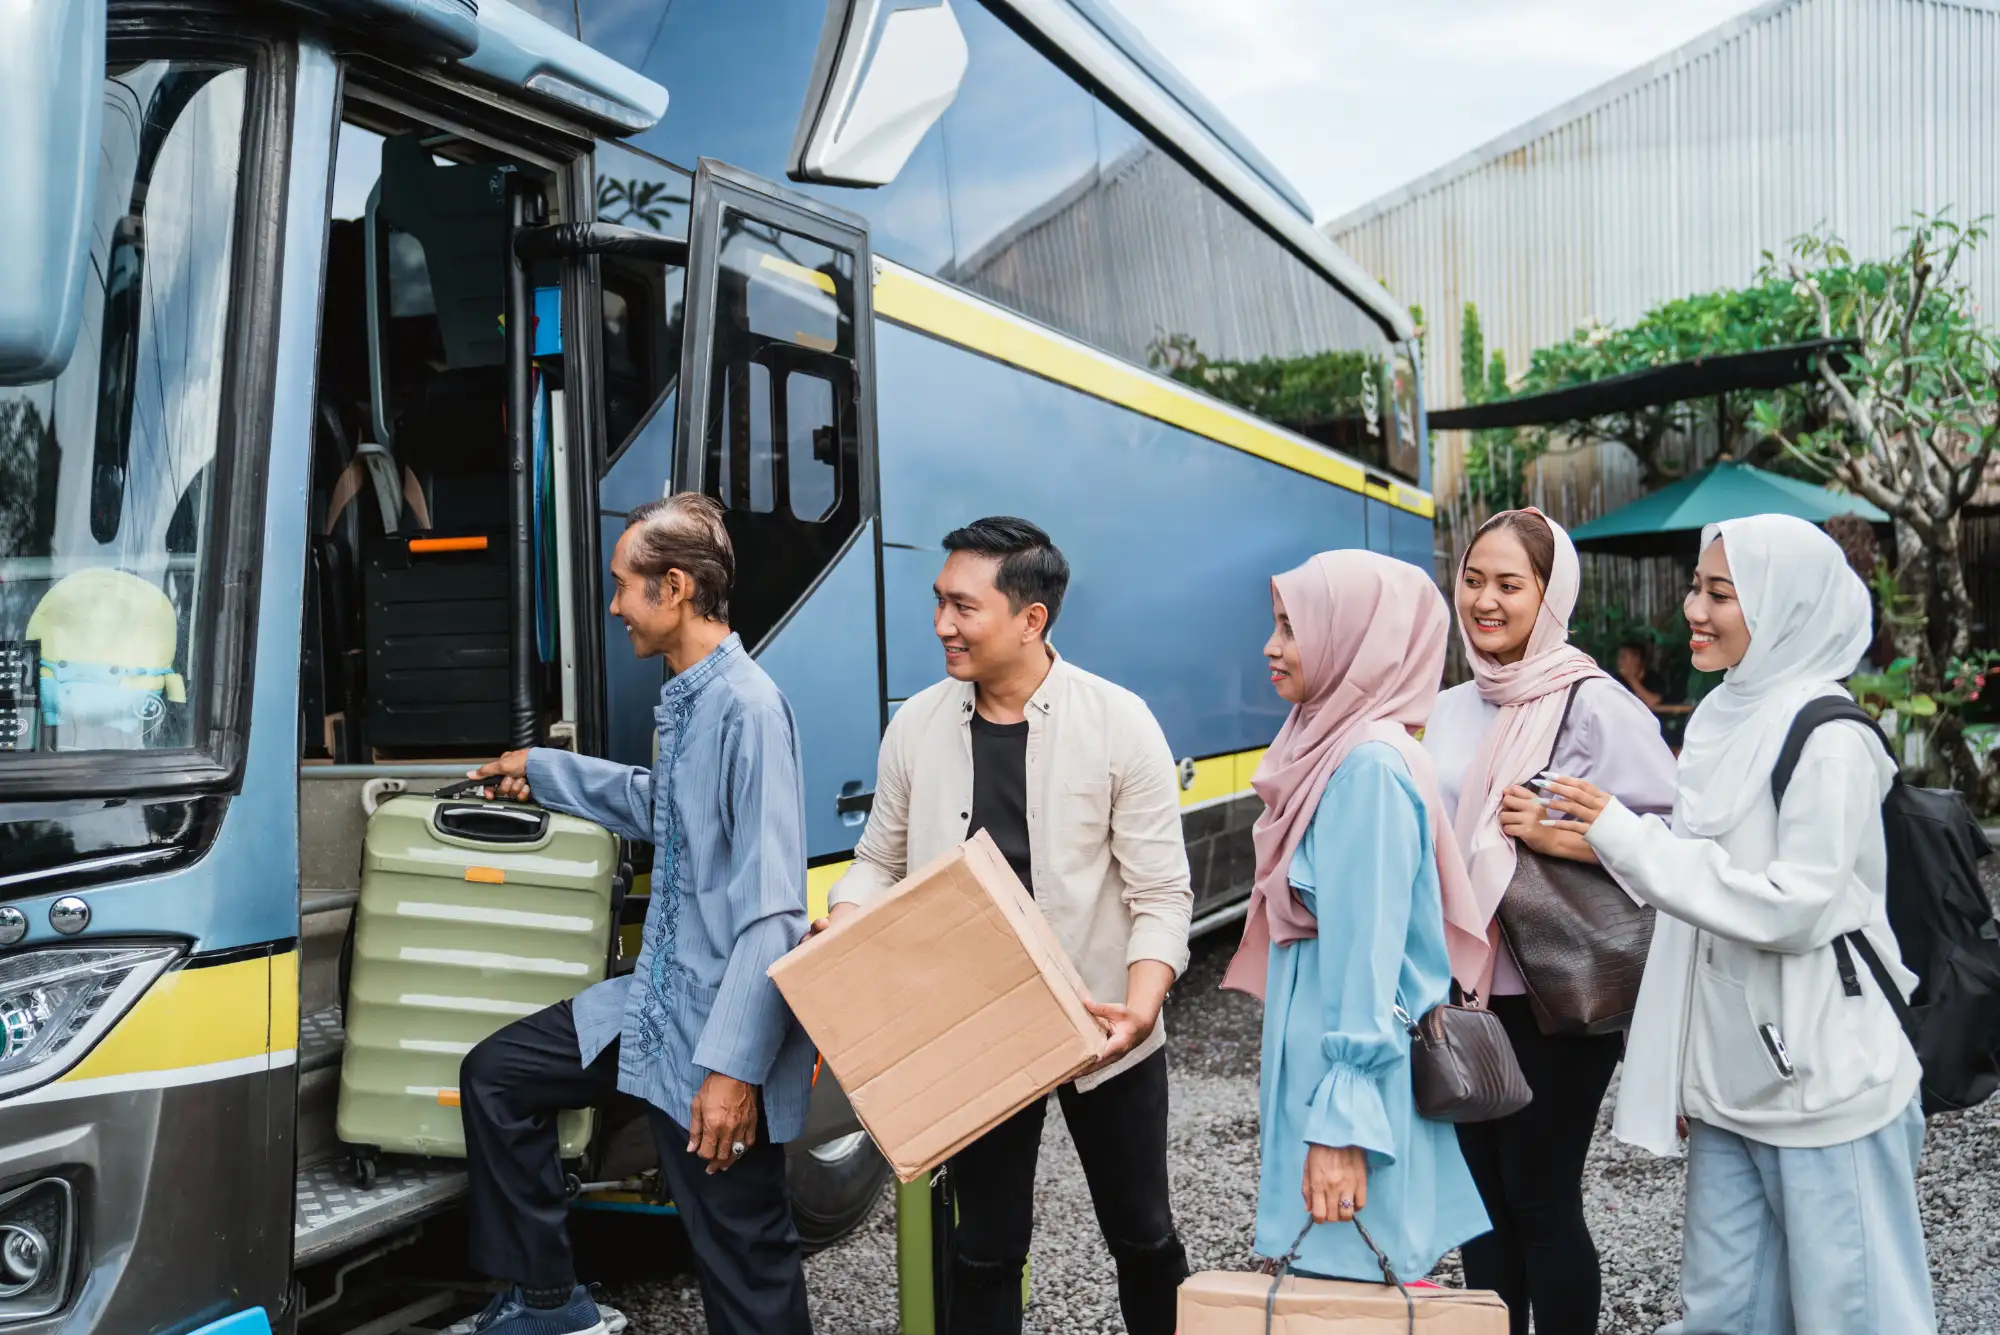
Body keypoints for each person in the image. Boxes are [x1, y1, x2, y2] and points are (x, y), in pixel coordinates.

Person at [1545, 514, 1936, 1335]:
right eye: (1697, 584)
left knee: (1855, 1317)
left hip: (1828, 1085)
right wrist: (1685, 1064)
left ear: (1784, 605)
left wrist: (1625, 835)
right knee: (1722, 1315)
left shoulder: (1829, 738)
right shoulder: (1723, 717)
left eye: (1721, 592)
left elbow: (1791, 907)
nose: (1694, 606)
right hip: (1731, 1089)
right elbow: (1696, 925)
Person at [816, 517, 1194, 1335]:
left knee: (1144, 1234)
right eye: (939, 602)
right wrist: (842, 930)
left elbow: (1163, 894)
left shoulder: (1119, 722)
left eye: (963, 605)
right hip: (976, 1022)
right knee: (984, 1247)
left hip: (1103, 1019)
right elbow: (877, 859)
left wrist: (1139, 1006)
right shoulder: (917, 723)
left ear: (1032, 618)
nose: (942, 624)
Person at [455, 494, 816, 1335]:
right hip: (657, 1005)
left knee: (744, 1259)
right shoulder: (694, 696)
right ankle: (547, 1299)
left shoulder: (749, 708)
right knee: (499, 1076)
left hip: (716, 1033)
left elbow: (773, 914)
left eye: (623, 586)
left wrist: (733, 1072)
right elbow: (665, 807)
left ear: (676, 587)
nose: (614, 605)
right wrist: (542, 771)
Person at [1420, 509, 1677, 1335]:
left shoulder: (1594, 705)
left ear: (1549, 592)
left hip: (1558, 994)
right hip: (1462, 991)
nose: (1484, 601)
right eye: (1473, 579)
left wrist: (1559, 833)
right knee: (1482, 1207)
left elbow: (1669, 846)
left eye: (1509, 584)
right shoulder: (1449, 704)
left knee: (1540, 1195)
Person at [1222, 549, 1489, 1285]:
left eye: (1292, 627)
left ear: (1356, 639)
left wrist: (1342, 1128)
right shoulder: (1334, 748)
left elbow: (1369, 960)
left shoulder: (1366, 770)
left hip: (1350, 1085)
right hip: (1333, 1070)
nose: (1272, 648)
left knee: (1353, 1284)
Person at [1616, 640, 1669, 710]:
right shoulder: (1617, 680)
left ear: (1636, 659)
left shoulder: (1654, 679)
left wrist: (1631, 679)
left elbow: (1653, 701)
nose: (1619, 662)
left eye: (1623, 657)